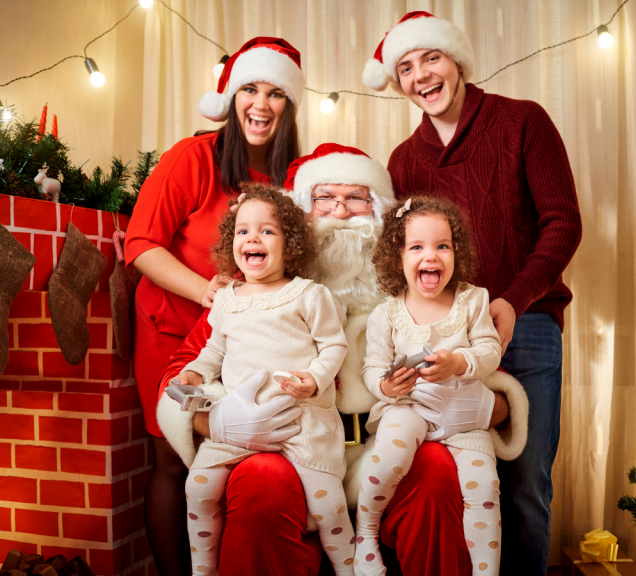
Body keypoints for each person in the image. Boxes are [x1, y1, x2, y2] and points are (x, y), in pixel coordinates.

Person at [156, 144, 529, 576]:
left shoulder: (428, 290)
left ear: (383, 216)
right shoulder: (246, 293)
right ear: (299, 217)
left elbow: (491, 381)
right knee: (260, 480)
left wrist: (482, 407)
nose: (340, 211)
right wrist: (214, 421)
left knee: (437, 471)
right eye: (323, 198)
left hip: (391, 448)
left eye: (356, 198)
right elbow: (181, 371)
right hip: (293, 445)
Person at [362, 12, 582, 575]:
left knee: (526, 482)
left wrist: (511, 298)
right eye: (405, 68)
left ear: (455, 60)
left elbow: (563, 222)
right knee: (453, 475)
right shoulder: (404, 161)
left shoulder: (522, 122)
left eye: (430, 58)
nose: (421, 76)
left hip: (526, 322)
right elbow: (402, 255)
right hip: (441, 336)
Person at [124, 37, 305, 576]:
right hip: (171, 336)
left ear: (289, 105)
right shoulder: (192, 157)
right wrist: (205, 290)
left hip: (243, 347)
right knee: (175, 461)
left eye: (275, 93)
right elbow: (140, 244)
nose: (261, 104)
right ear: (230, 95)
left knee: (232, 458)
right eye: (249, 88)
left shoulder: (291, 178)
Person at [177, 184, 354, 576]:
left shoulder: (308, 295)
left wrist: (314, 379)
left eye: (267, 231)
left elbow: (334, 347)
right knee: (198, 487)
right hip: (238, 423)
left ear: (290, 244)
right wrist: (194, 373)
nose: (252, 238)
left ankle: (350, 568)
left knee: (327, 505)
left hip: (302, 420)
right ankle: (203, 570)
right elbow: (214, 351)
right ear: (231, 243)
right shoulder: (227, 299)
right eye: (242, 231)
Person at [356, 197, 503, 576]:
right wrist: (388, 387)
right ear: (398, 257)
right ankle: (365, 533)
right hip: (409, 408)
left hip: (464, 419)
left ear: (457, 254)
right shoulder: (385, 313)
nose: (431, 256)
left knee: (485, 493)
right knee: (388, 457)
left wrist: (459, 362)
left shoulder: (473, 300)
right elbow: (372, 368)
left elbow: (489, 350)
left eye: (442, 246)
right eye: (417, 247)